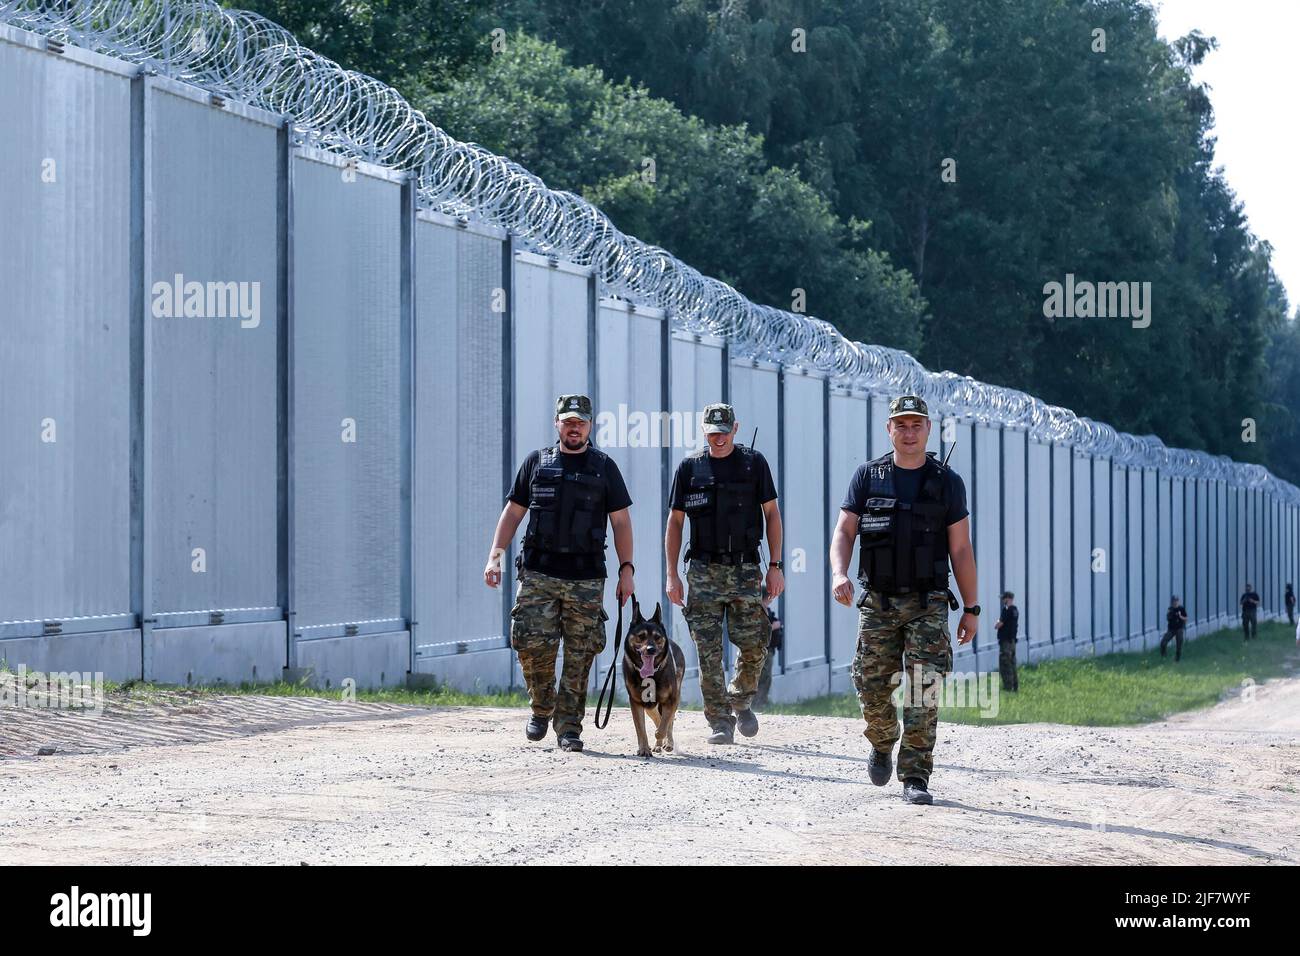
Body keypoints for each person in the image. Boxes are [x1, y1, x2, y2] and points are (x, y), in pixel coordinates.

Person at [829, 394, 979, 806]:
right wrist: (840, 573)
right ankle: (881, 741)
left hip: (928, 603)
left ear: (928, 429)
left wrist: (971, 608)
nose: (909, 432)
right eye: (901, 424)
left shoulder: (947, 482)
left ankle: (916, 775)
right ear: (889, 429)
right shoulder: (868, 477)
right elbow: (844, 532)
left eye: (916, 424)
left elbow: (961, 550)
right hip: (877, 602)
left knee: (923, 690)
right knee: (871, 687)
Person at [484, 394, 634, 752]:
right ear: (557, 424)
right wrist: (495, 556)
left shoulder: (604, 468)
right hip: (539, 573)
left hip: (585, 577)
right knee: (532, 645)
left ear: (590, 426)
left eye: (580, 422)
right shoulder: (537, 462)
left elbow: (621, 522)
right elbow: (513, 512)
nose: (574, 428)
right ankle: (541, 708)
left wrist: (626, 570)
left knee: (580, 655)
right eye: (568, 422)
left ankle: (569, 727)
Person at [665, 403, 784, 745]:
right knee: (708, 651)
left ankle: (741, 699)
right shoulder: (690, 469)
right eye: (712, 432)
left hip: (746, 571)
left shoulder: (753, 464)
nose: (718, 438)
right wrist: (672, 575)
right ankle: (719, 720)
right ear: (704, 431)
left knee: (755, 643)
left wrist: (774, 566)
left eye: (724, 431)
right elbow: (675, 522)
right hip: (702, 571)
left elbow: (772, 514)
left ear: (736, 429)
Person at [754, 600, 783, 708]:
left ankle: (762, 702)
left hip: (769, 649)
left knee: (766, 678)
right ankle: (758, 704)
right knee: (761, 677)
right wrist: (773, 626)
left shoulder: (767, 611)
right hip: (761, 649)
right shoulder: (757, 611)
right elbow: (758, 630)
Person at [993, 591, 1019, 691]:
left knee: (1005, 664)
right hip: (1012, 641)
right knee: (1012, 664)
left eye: (1004, 598)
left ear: (1008, 598)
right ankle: (1015, 686)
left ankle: (1008, 687)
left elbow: (999, 624)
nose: (1003, 600)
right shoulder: (1015, 610)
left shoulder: (1006, 609)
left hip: (1006, 642)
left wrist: (997, 623)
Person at [1160, 595, 1188, 662]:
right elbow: (1168, 618)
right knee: (1163, 642)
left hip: (1179, 629)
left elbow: (1186, 618)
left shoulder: (1181, 609)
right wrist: (1170, 614)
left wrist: (1180, 616)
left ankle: (1177, 659)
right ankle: (1163, 656)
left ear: (1178, 601)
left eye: (1176, 601)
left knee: (1179, 645)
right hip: (1171, 629)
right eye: (1174, 601)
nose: (1175, 602)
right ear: (1172, 602)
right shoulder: (1170, 609)